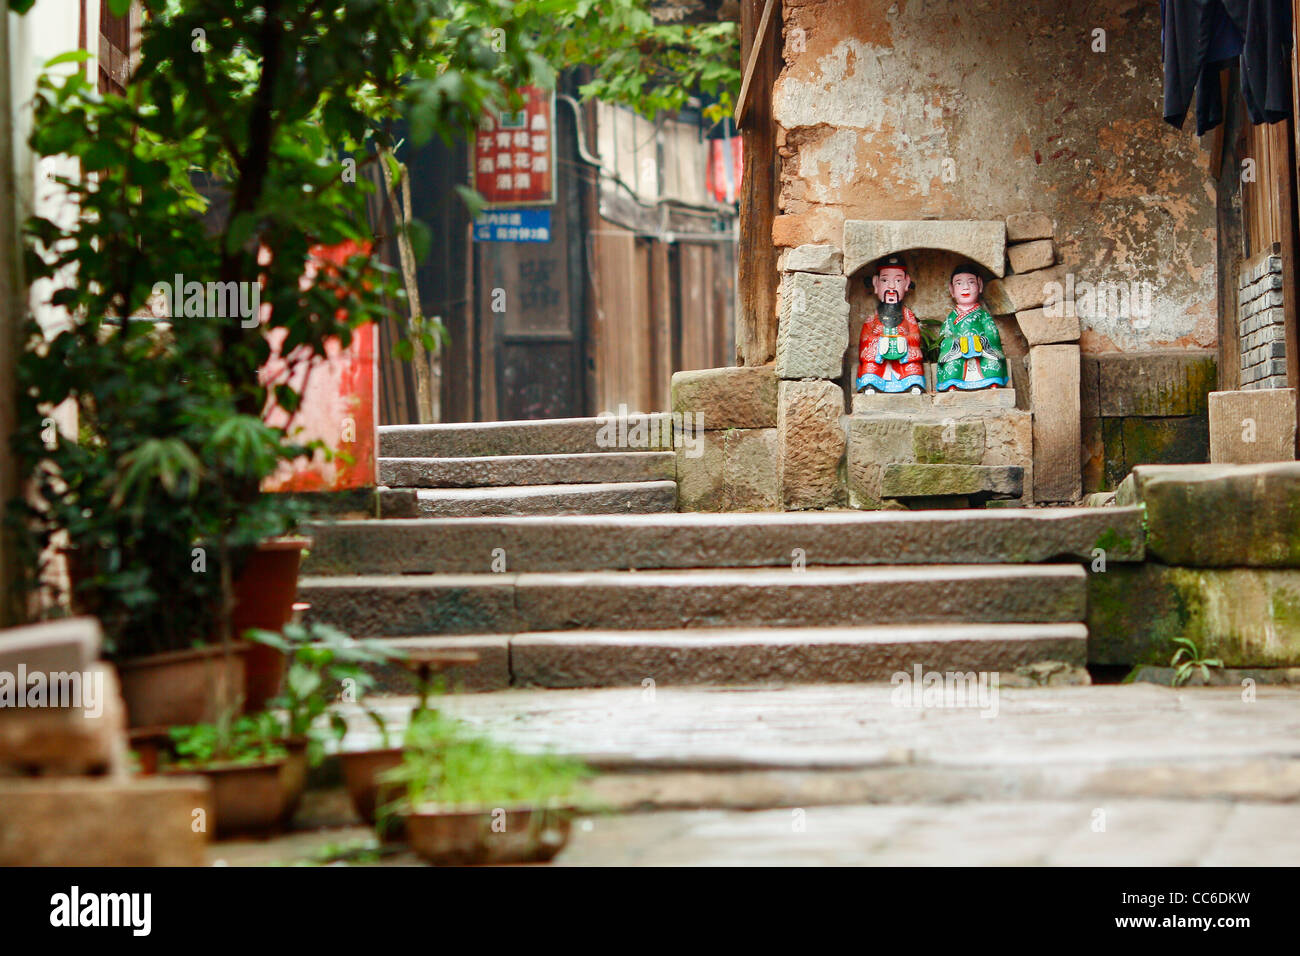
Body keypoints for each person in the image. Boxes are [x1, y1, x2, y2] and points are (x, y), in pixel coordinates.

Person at [856, 254, 925, 394]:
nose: (892, 286)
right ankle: (871, 384)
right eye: (885, 280)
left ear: (906, 283)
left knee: (912, 364)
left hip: (902, 356)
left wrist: (904, 340)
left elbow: (916, 336)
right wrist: (879, 342)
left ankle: (912, 384)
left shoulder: (908, 315)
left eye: (898, 280)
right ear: (876, 284)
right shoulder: (872, 318)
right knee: (870, 364)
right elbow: (864, 339)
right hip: (879, 356)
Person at [935, 263, 1008, 392]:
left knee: (993, 366)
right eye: (959, 283)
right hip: (958, 355)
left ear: (980, 285)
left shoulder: (983, 315)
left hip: (982, 353)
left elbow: (993, 335)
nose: (965, 288)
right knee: (951, 368)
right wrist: (957, 343)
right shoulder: (951, 318)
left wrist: (981, 341)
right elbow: (944, 337)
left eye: (971, 282)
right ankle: (952, 385)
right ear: (951, 289)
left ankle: (992, 383)